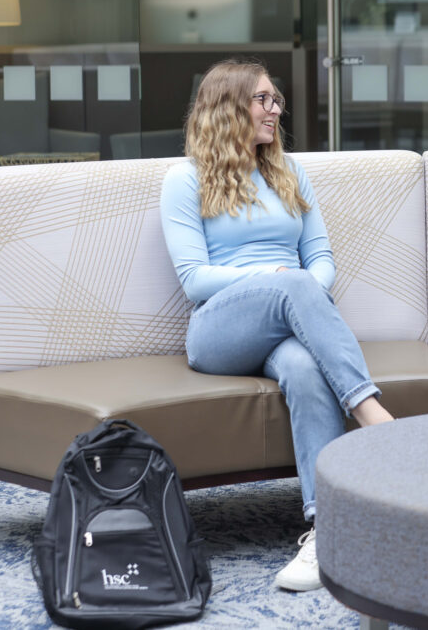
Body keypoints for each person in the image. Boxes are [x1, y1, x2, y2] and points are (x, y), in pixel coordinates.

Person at [159, 59, 394, 591]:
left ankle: (326, 532)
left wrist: (301, 286)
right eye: (263, 100)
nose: (276, 110)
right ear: (228, 107)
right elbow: (195, 280)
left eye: (276, 100)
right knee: (295, 285)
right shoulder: (185, 179)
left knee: (305, 368)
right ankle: (372, 413)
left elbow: (322, 260)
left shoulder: (288, 172)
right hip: (219, 330)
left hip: (289, 324)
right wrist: (279, 280)